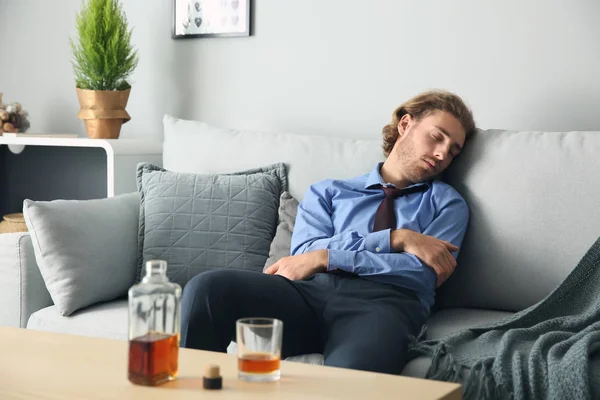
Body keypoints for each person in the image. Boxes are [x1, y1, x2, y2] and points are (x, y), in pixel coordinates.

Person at [180, 89, 476, 374]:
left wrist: (327, 256)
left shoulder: (448, 204)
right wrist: (396, 239)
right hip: (306, 295)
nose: (441, 154)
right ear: (405, 123)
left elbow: (421, 273)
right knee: (207, 290)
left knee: (350, 381)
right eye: (437, 137)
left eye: (453, 151)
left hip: (383, 307)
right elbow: (304, 256)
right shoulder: (329, 192)